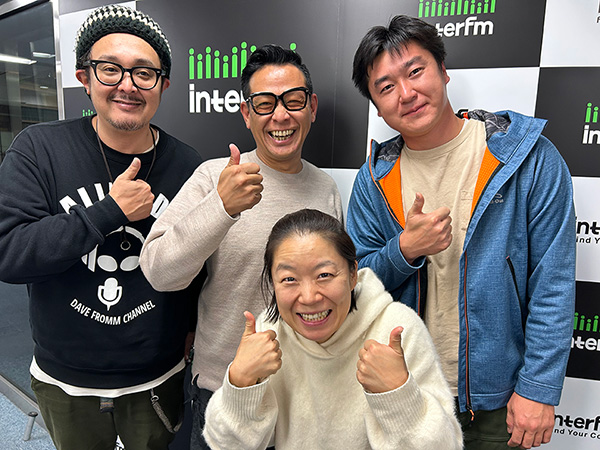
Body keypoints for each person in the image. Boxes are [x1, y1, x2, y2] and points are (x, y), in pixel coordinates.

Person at [346, 15, 575, 450]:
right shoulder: (373, 180)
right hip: (404, 391)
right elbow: (352, 285)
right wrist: (404, 250)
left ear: (443, 70)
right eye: (386, 86)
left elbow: (553, 284)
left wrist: (538, 389)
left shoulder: (528, 158)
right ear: (376, 106)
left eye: (416, 71)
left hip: (501, 401)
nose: (407, 93)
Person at [0, 5, 203, 449]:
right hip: (66, 379)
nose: (128, 85)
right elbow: (9, 253)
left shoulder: (188, 165)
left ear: (163, 85)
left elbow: (197, 263)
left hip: (156, 375)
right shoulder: (38, 149)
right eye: (110, 69)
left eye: (144, 73)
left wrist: (191, 327)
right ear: (84, 77)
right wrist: (108, 212)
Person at [139, 44, 343, 449]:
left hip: (305, 395)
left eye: (293, 100)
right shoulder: (214, 176)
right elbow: (158, 271)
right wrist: (222, 207)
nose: (280, 115)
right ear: (247, 114)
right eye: (265, 103)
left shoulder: (326, 187)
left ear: (312, 107)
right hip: (226, 389)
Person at [202, 208, 462, 449]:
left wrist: (398, 393)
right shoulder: (269, 333)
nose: (309, 297)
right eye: (289, 279)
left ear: (352, 274)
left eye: (324, 275)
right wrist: (240, 383)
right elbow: (226, 444)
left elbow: (446, 445)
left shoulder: (396, 329)